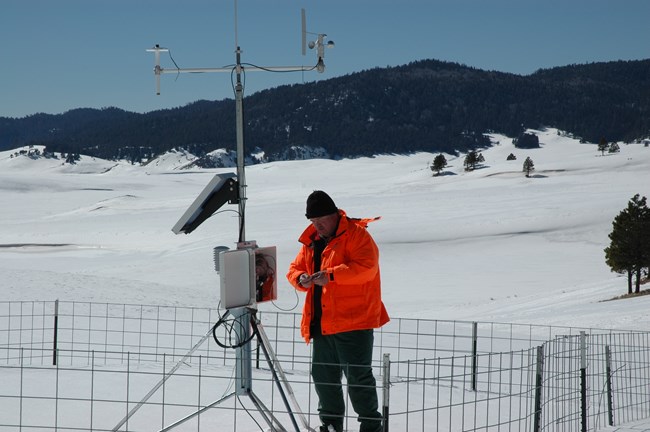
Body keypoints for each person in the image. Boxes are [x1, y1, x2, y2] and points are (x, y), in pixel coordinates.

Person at [286, 190, 389, 432]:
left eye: (321, 220)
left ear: (335, 215)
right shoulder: (312, 241)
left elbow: (366, 268)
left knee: (358, 379)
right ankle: (330, 426)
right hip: (321, 323)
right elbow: (294, 268)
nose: (317, 225)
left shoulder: (357, 236)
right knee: (324, 379)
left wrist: (331, 276)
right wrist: (301, 279)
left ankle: (371, 427)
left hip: (354, 322)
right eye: (312, 221)